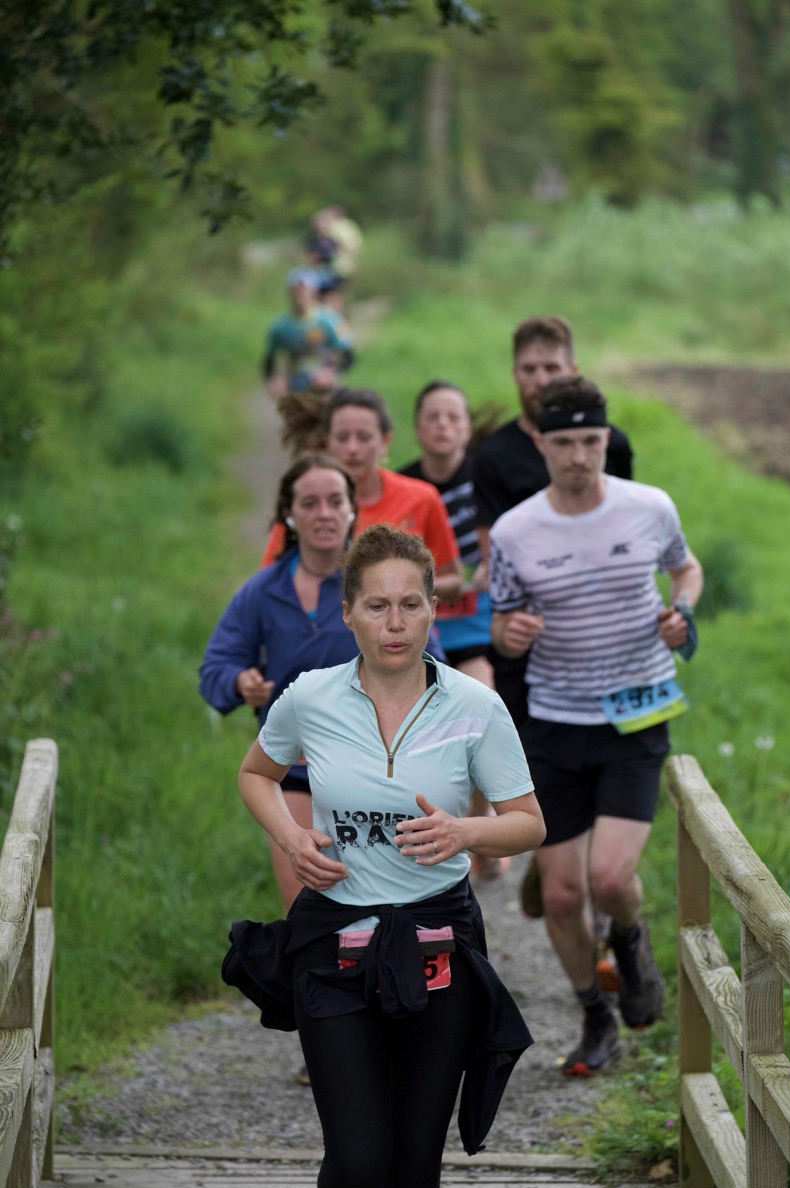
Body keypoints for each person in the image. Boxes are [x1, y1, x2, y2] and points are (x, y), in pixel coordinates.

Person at [224, 524, 545, 1188]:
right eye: (377, 606)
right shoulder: (310, 696)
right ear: (348, 613)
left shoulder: (475, 706)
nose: (394, 623)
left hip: (438, 939)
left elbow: (529, 822)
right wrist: (292, 839)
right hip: (335, 941)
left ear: (434, 609)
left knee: (414, 1148)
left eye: (410, 605)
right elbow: (256, 774)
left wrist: (465, 830)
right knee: (358, 1157)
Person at [489, 375, 703, 1078]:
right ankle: (594, 1015)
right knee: (560, 893)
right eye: (565, 443)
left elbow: (686, 570)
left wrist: (681, 612)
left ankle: (630, 940)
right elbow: (502, 621)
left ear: (606, 439)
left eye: (591, 441)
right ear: (541, 444)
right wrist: (511, 634)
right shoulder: (514, 532)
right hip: (555, 722)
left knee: (610, 879)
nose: (579, 456)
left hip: (635, 714)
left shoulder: (649, 507)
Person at [199, 455, 447, 912]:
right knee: (308, 905)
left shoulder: (381, 584)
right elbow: (215, 667)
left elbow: (434, 663)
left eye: (335, 501)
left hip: (381, 765)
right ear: (289, 514)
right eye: (310, 503)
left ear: (352, 509)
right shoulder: (262, 592)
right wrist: (238, 682)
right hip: (297, 769)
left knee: (391, 907)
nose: (324, 513)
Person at [471, 315, 633, 731]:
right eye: (529, 369)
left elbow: (625, 529)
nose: (540, 380)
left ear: (572, 371)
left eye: (551, 368)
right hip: (529, 634)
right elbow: (494, 558)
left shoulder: (613, 444)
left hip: (606, 629)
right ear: (515, 373)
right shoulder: (493, 457)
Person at [399, 380, 506, 879]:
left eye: (453, 417)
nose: (442, 426)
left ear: (466, 428)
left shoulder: (488, 479)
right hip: (415, 630)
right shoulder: (402, 486)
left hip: (474, 624)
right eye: (433, 417)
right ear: (417, 427)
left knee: (481, 711)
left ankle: (481, 829)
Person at [260, 388, 464, 606]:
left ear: (385, 441)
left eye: (364, 437)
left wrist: (406, 587)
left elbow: (454, 582)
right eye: (342, 438)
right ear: (327, 442)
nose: (353, 448)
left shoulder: (422, 498)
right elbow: (267, 586)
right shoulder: (307, 504)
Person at [262, 268, 355, 401]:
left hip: (324, 388)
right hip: (294, 386)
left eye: (305, 290)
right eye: (297, 290)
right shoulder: (280, 326)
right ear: (290, 292)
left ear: (314, 292)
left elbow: (349, 354)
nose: (301, 294)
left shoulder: (330, 320)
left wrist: (332, 372)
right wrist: (273, 379)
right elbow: (269, 358)